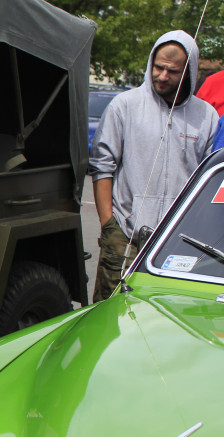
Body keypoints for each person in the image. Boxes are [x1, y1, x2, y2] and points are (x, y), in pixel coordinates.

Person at [89, 30, 217, 301]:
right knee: (110, 316)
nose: (162, 76)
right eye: (158, 67)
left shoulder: (206, 116)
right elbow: (102, 166)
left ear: (190, 71)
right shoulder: (125, 105)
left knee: (166, 316)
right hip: (126, 236)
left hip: (178, 242)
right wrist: (108, 225)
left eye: (172, 71)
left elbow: (207, 182)